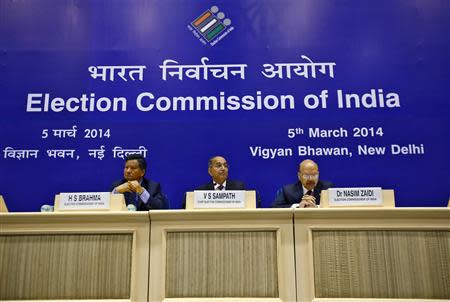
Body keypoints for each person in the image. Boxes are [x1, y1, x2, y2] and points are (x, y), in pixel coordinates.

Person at [183, 155, 259, 208]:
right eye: (218, 165)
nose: (223, 168)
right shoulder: (200, 192)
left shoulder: (240, 188)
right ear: (210, 171)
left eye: (225, 166)